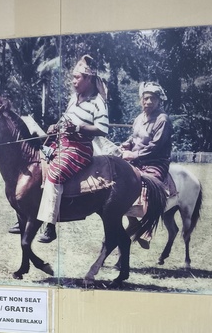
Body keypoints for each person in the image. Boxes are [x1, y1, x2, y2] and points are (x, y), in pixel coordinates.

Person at [34, 54, 113, 243]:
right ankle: (28, 214)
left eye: (77, 78)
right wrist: (55, 126)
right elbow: (66, 120)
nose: (73, 81)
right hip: (61, 143)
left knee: (55, 173)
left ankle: (50, 226)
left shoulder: (98, 102)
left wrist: (78, 128)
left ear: (88, 79)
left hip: (79, 149)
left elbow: (103, 129)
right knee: (37, 163)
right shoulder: (73, 98)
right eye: (73, 77)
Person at [120, 82, 173, 248]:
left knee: (150, 185)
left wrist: (134, 154)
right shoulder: (139, 118)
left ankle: (147, 229)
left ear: (159, 101)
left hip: (156, 161)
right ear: (141, 100)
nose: (148, 102)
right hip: (137, 160)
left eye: (153, 99)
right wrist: (127, 144)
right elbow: (134, 137)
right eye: (146, 98)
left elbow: (156, 146)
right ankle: (132, 221)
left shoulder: (162, 120)